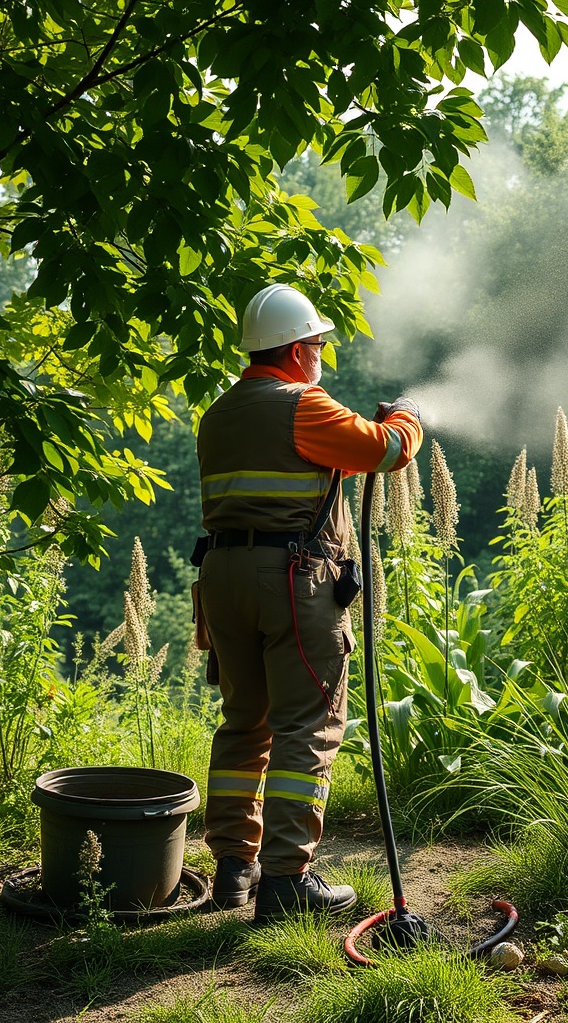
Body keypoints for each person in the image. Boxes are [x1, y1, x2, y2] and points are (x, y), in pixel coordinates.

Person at [196, 282, 423, 923]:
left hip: (222, 580)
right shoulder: (303, 405)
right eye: (318, 343)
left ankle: (235, 869)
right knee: (308, 724)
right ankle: (288, 878)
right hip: (292, 584)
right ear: (295, 351)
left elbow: (304, 468)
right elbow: (384, 451)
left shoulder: (218, 415)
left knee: (245, 724)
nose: (322, 352)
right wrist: (406, 415)